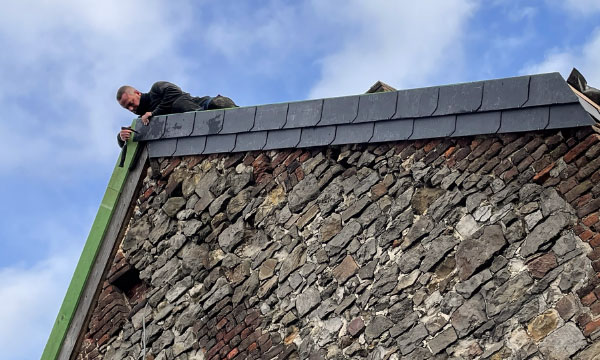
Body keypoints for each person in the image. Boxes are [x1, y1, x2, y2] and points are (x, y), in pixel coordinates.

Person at [116, 81, 237, 144]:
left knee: (220, 103)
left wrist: (154, 113)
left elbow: (174, 92)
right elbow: (134, 135)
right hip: (193, 132)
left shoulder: (156, 89)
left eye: (131, 103)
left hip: (204, 107)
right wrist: (122, 138)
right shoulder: (143, 121)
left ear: (137, 93)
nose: (131, 109)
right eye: (127, 108)